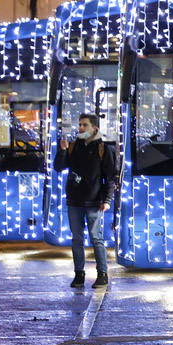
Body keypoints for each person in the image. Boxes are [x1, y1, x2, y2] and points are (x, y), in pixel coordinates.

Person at [53, 113, 117, 289]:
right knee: (77, 239)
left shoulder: (102, 149)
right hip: (74, 199)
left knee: (96, 238)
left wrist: (107, 199)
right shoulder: (74, 146)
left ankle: (102, 274)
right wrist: (63, 151)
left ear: (94, 128)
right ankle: (79, 274)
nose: (80, 128)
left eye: (84, 125)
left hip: (94, 200)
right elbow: (59, 167)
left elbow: (109, 177)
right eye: (79, 125)